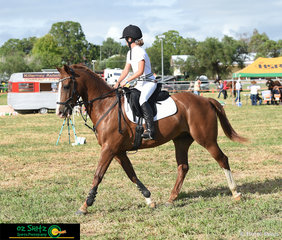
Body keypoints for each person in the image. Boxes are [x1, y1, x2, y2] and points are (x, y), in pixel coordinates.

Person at [114, 25, 157, 140]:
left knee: (143, 99)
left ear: (129, 39)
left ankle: (150, 130)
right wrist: (118, 82)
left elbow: (140, 71)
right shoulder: (130, 53)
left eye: (125, 39)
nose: (125, 42)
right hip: (140, 83)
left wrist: (127, 80)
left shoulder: (140, 52)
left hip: (149, 82)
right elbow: (126, 70)